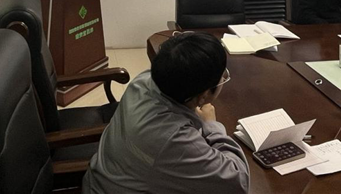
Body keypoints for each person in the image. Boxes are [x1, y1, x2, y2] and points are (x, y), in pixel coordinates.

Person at [82, 32, 249, 194]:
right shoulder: (176, 140)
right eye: (223, 77)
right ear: (204, 95)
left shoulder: (143, 81)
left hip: (102, 178)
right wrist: (211, 126)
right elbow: (238, 182)